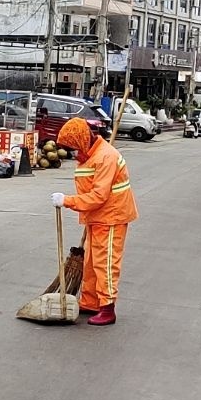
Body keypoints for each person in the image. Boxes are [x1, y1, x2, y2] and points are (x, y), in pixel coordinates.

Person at [52, 115, 138, 326]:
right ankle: (90, 302)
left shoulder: (105, 157)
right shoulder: (89, 155)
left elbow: (99, 196)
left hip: (111, 217)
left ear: (80, 141)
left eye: (72, 147)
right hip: (97, 217)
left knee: (105, 263)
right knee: (90, 263)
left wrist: (68, 201)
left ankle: (107, 308)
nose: (72, 153)